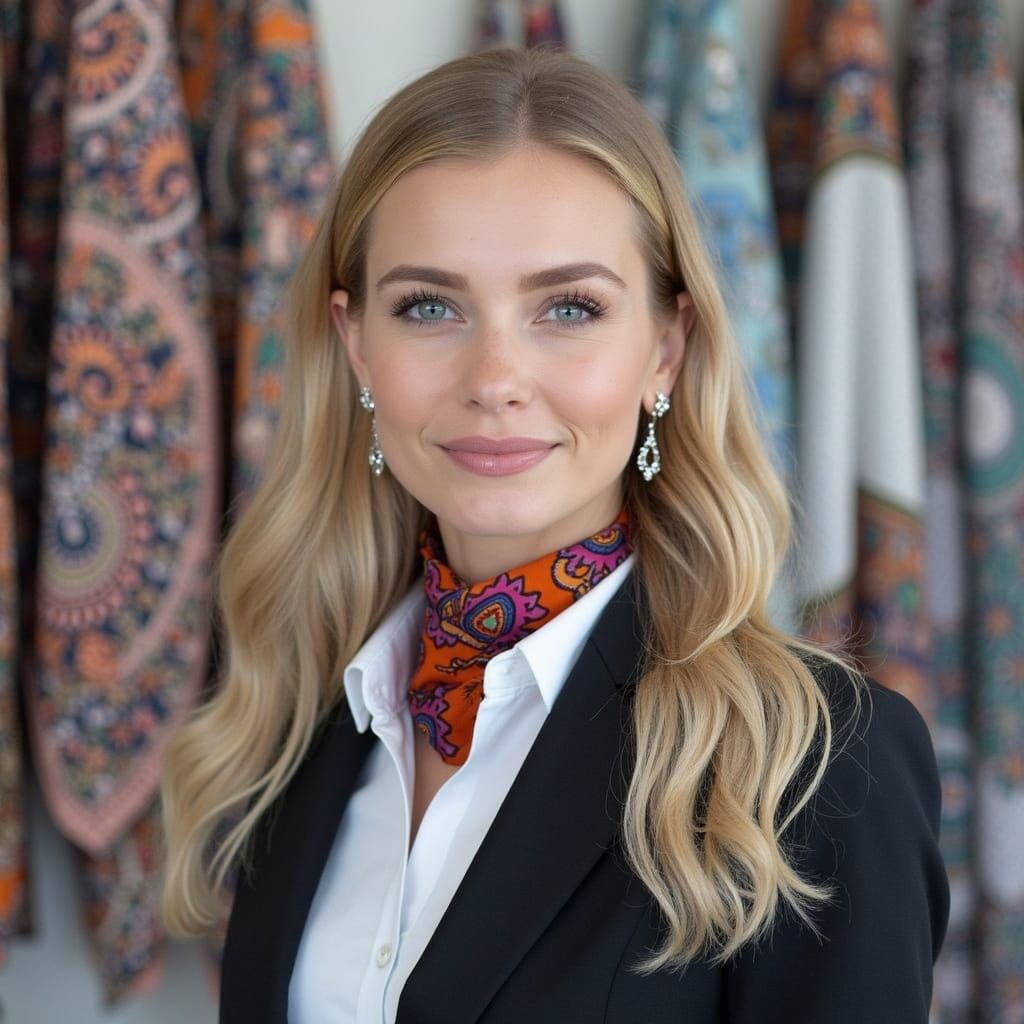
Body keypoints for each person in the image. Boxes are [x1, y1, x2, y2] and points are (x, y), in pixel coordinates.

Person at [160, 45, 950, 1023]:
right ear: (357, 344)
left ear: (665, 349)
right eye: (429, 306)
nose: (495, 378)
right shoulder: (292, 718)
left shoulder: (821, 767)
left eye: (569, 307)